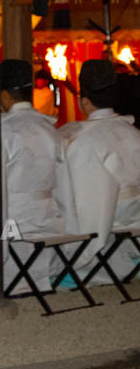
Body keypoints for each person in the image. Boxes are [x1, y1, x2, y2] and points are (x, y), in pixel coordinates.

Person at [0, 59, 75, 294]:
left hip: (13, 218)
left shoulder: (3, 130)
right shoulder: (50, 130)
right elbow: (64, 185)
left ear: (3, 95)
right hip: (48, 217)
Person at [63, 59, 140, 284]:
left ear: (84, 101)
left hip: (110, 221)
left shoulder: (80, 138)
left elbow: (85, 199)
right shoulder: (133, 132)